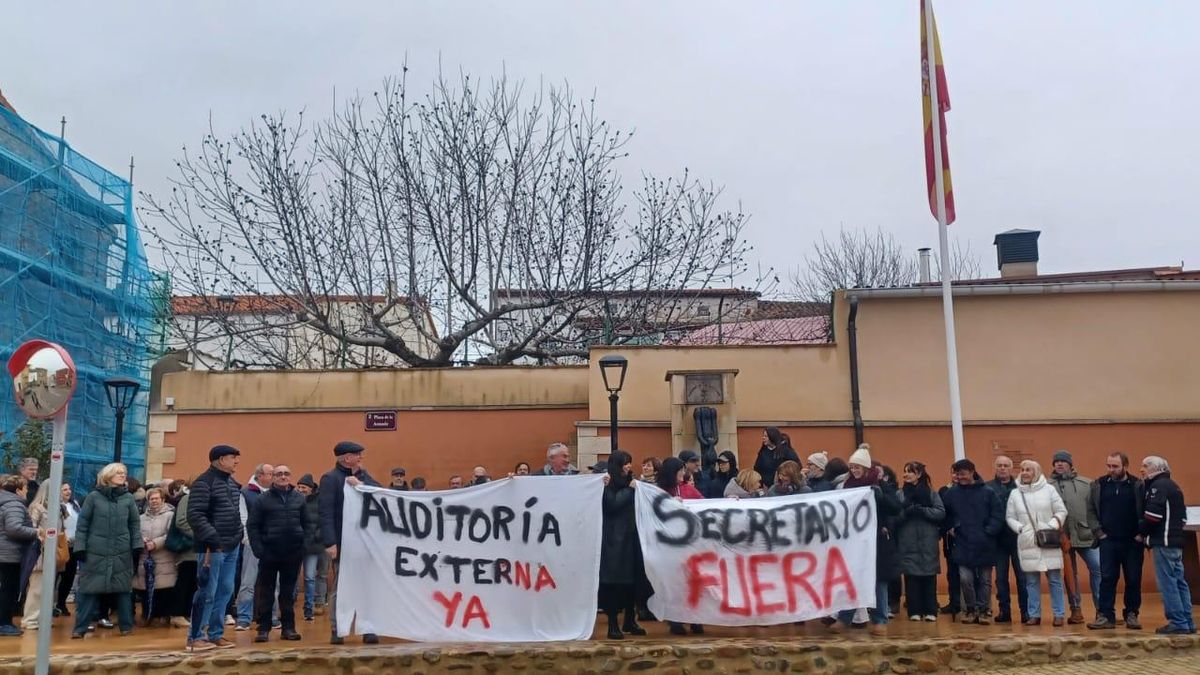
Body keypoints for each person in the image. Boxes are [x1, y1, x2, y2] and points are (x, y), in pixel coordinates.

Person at [319, 440, 381, 645]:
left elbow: (380, 493)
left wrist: (361, 482)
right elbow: (325, 512)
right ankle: (338, 628)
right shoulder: (330, 479)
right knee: (340, 587)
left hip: (365, 542)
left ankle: (368, 627)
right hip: (342, 543)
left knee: (368, 586)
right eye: (357, 454)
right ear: (347, 458)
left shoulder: (362, 476)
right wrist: (330, 542)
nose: (361, 457)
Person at [832, 449, 900, 636]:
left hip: (878, 541)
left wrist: (881, 497)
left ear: (865, 467)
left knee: (879, 580)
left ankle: (880, 619)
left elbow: (896, 508)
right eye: (852, 467)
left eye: (857, 467)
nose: (854, 470)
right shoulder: (848, 486)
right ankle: (845, 618)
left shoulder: (881, 485)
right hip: (856, 541)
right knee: (853, 579)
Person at [72, 462, 142, 638]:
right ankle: (80, 629)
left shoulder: (128, 498)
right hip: (95, 551)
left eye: (124, 472)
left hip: (122, 551)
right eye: (118, 472)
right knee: (89, 590)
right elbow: (82, 525)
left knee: (123, 590)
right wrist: (80, 547)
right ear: (108, 475)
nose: (123, 475)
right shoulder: (93, 497)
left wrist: (136, 545)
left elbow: (134, 524)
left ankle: (126, 627)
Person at [185, 445, 244, 651]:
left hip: (232, 544)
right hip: (211, 548)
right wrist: (213, 539)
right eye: (232, 457)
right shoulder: (204, 483)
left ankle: (216, 634)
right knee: (207, 591)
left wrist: (238, 534)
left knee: (225, 590)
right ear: (220, 460)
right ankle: (195, 636)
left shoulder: (232, 483)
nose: (236, 461)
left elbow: (236, 513)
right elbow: (195, 515)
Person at [1006, 460, 1068, 627]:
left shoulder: (1049, 490)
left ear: (1036, 472)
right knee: (1031, 581)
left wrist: (1052, 525)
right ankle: (1034, 615)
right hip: (1028, 541)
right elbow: (1010, 517)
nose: (1025, 472)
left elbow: (1061, 511)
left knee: (1054, 579)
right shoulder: (1015, 494)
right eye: (1023, 469)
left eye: (1029, 470)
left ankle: (1059, 614)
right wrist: (1021, 528)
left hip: (1048, 539)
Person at [247, 464, 306, 642]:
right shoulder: (263, 499)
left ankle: (288, 628)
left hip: (293, 553)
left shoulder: (299, 499)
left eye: (286, 474)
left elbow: (308, 524)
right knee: (266, 591)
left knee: (288, 593)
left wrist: (304, 546)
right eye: (278, 474)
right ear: (273, 477)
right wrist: (258, 549)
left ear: (290, 477)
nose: (282, 477)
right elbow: (253, 525)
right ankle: (263, 628)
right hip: (269, 552)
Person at [941, 458, 1003, 624]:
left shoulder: (988, 492)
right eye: (957, 474)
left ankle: (984, 610)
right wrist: (951, 527)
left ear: (971, 472)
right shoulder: (951, 494)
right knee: (965, 579)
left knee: (985, 580)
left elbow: (997, 515)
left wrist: (989, 531)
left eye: (962, 473)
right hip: (962, 542)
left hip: (985, 543)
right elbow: (944, 514)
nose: (959, 477)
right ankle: (970, 608)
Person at [1139, 455, 1195, 635]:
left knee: (1167, 583)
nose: (1142, 470)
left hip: (1163, 542)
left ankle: (1177, 622)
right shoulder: (1174, 486)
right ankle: (1187, 621)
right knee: (1180, 582)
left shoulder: (1158, 486)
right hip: (1176, 542)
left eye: (1145, 466)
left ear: (1156, 469)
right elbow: (1183, 517)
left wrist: (1141, 532)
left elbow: (1153, 517)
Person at [1088, 452, 1144, 630]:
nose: (1111, 470)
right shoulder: (1099, 485)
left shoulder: (1137, 485)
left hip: (1132, 541)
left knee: (1133, 579)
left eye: (1115, 466)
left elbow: (1144, 510)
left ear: (1125, 466)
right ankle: (1106, 616)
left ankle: (1131, 614)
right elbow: (1090, 510)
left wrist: (1140, 534)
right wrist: (1099, 533)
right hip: (1108, 541)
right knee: (1107, 578)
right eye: (1109, 466)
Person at [1048, 450, 1101, 624]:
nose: (1059, 464)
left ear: (1070, 464)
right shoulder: (1047, 486)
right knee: (1070, 574)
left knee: (1098, 568)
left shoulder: (1086, 483)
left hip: (1085, 535)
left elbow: (1096, 508)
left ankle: (1102, 609)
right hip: (1061, 537)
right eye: (1056, 462)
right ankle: (1075, 609)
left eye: (1063, 461)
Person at [598, 450, 645, 639]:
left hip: (632, 539)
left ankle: (629, 620)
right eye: (626, 463)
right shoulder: (607, 484)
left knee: (632, 583)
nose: (629, 466)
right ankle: (612, 624)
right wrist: (630, 490)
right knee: (614, 584)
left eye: (630, 462)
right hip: (614, 542)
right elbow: (613, 504)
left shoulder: (631, 482)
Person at [655, 457, 704, 635]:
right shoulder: (657, 492)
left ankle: (696, 619)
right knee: (675, 585)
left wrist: (728, 501)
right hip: (669, 546)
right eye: (680, 471)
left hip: (690, 546)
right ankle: (675, 620)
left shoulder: (688, 490)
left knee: (693, 583)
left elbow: (705, 506)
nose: (684, 474)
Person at [897, 461, 945, 622]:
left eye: (910, 471)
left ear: (918, 474)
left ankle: (930, 610)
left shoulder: (931, 494)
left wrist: (923, 511)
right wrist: (906, 512)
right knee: (911, 578)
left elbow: (940, 512)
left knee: (929, 577)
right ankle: (914, 611)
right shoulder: (900, 494)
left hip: (927, 542)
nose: (906, 474)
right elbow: (895, 516)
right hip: (908, 541)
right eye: (905, 471)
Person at [988, 455, 1027, 624]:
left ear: (1012, 468)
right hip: (998, 540)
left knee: (1022, 577)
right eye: (999, 465)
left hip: (1019, 538)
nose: (1002, 468)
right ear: (995, 467)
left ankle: (1026, 612)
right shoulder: (988, 488)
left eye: (1006, 465)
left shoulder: (1020, 487)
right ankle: (1005, 611)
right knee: (1001, 578)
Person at [132, 488, 178, 627]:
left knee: (163, 589)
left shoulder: (170, 515)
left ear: (163, 499)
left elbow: (170, 534)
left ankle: (162, 615)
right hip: (145, 558)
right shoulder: (141, 518)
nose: (154, 501)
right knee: (145, 589)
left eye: (157, 498)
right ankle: (148, 615)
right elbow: (136, 533)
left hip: (164, 558)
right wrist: (143, 540)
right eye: (151, 499)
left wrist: (156, 543)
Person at [235, 463, 273, 631]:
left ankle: (272, 616)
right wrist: (248, 539)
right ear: (260, 476)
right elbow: (243, 518)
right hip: (253, 543)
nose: (273, 477)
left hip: (273, 544)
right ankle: (244, 617)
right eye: (270, 474)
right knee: (248, 582)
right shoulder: (246, 493)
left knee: (274, 583)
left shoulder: (276, 493)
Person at [0, 475, 39, 636]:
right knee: (9, 590)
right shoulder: (14, 504)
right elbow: (14, 528)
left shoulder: (4, 502)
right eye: (25, 488)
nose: (27, 492)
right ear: (18, 490)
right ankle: (4, 623)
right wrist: (36, 532)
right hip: (9, 554)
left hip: (4, 553)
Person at [296, 474, 326, 621]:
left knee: (309, 577)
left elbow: (322, 522)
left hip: (313, 546)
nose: (301, 490)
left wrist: (315, 536)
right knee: (293, 577)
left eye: (304, 487)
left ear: (311, 488)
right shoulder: (294, 500)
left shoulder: (319, 502)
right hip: (296, 544)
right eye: (299, 487)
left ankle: (309, 608)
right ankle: (291, 602)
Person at [168, 480, 197, 628]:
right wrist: (201, 534)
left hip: (199, 549)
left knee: (194, 583)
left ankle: (186, 613)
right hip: (189, 548)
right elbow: (181, 521)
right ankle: (177, 614)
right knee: (185, 580)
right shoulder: (188, 499)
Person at [55, 482, 82, 618]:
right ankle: (51, 604)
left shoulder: (75, 504)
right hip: (60, 545)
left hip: (74, 545)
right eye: (64, 489)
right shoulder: (55, 505)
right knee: (55, 575)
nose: (68, 491)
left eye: (69, 488)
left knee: (69, 576)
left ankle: (61, 603)